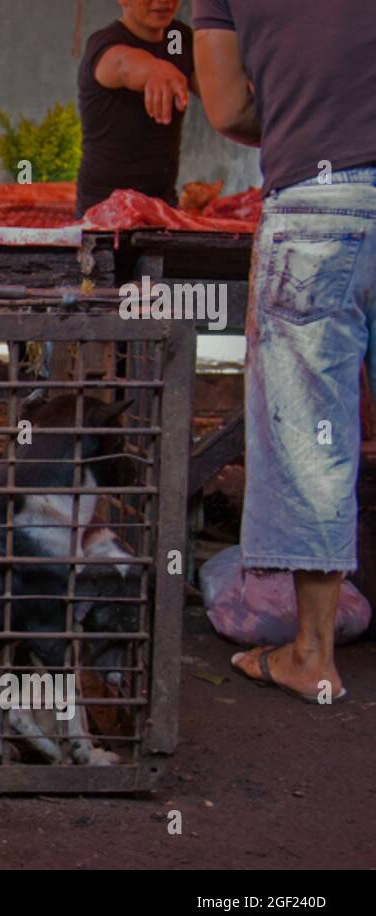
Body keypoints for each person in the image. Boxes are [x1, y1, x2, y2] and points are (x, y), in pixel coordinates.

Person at [194, 0, 376, 703]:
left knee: (309, 435)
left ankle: (312, 654)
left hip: (318, 199)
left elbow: (231, 107)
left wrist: (315, 116)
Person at [76, 0, 196, 217]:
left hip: (164, 205)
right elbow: (125, 64)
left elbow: (217, 88)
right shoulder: (104, 44)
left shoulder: (177, 38)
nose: (163, 1)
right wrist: (156, 69)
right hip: (105, 210)